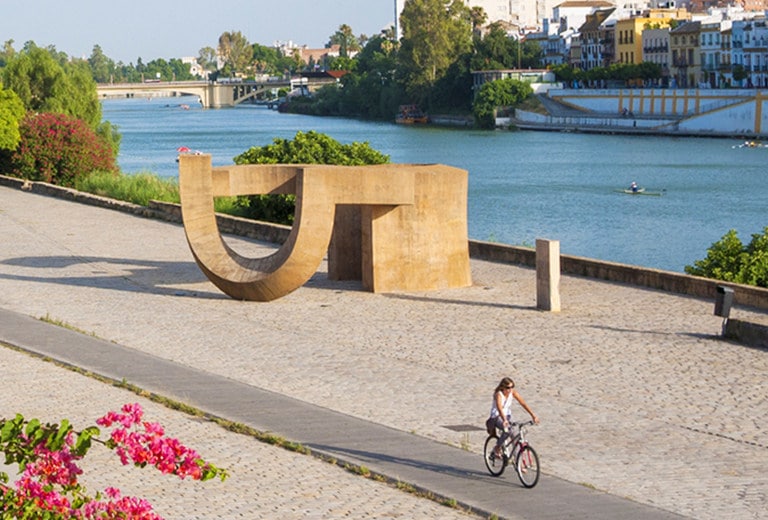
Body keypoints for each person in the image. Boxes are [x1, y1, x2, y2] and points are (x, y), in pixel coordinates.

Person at [489, 377, 539, 458]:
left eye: (512, 387)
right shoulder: (499, 394)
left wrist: (533, 415)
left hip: (508, 416)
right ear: (503, 387)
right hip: (497, 416)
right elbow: (499, 408)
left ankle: (518, 462)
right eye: (508, 388)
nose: (510, 389)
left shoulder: (512, 393)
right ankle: (497, 447)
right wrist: (504, 420)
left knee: (516, 434)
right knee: (507, 430)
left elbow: (523, 403)